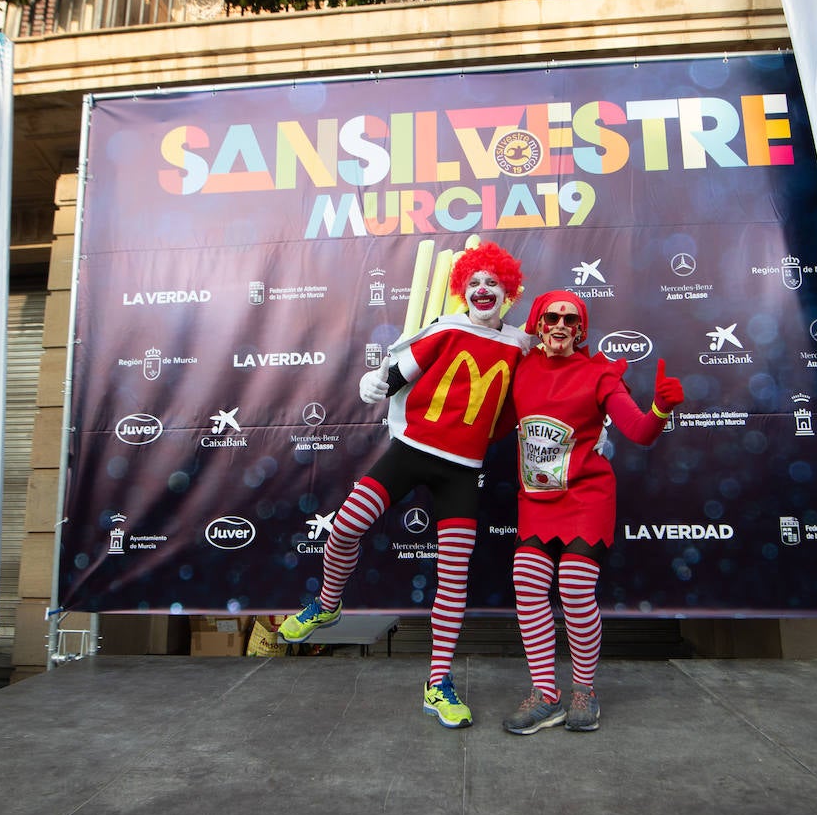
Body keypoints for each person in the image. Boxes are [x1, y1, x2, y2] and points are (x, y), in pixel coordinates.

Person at [279, 242, 529, 729]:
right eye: (473, 283)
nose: (482, 290)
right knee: (345, 526)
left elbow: (551, 390)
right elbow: (400, 370)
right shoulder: (449, 328)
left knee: (454, 578)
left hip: (463, 469)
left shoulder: (521, 346)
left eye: (491, 283)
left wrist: (590, 423)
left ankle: (438, 683)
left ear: (509, 292)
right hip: (412, 451)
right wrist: (376, 382)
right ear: (462, 291)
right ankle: (327, 605)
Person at [501, 291, 683, 735]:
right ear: (538, 325)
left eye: (570, 319)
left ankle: (585, 691)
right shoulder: (520, 370)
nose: (560, 324)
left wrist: (660, 408)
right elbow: (487, 423)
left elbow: (639, 432)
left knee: (576, 587)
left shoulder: (598, 373)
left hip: (587, 497)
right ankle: (546, 695)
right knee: (527, 581)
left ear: (581, 330)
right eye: (551, 317)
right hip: (537, 499)